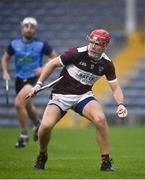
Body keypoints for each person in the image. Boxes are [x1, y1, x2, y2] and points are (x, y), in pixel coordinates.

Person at [28, 29, 128, 171]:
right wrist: (38, 84)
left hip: (83, 96)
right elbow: (51, 64)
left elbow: (116, 88)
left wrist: (121, 104)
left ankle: (105, 161)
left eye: (98, 44)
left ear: (105, 46)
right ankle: (42, 154)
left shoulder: (107, 64)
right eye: (91, 42)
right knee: (45, 127)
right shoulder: (76, 53)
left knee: (100, 119)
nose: (93, 46)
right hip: (61, 96)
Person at [1, 17, 57, 148]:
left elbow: (55, 58)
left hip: (34, 79)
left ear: (35, 29)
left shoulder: (42, 45)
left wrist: (43, 68)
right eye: (26, 26)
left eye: (32, 27)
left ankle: (23, 135)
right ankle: (37, 124)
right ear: (22, 28)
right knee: (27, 105)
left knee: (18, 103)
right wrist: (5, 72)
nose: (29, 29)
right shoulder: (14, 44)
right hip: (19, 79)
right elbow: (5, 59)